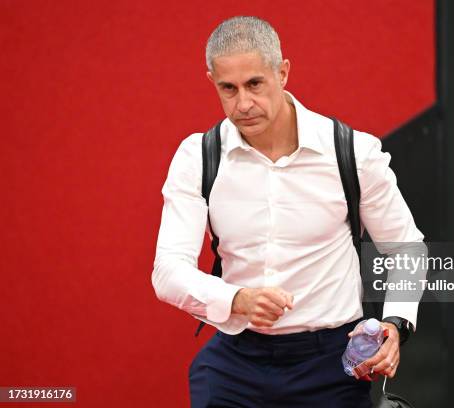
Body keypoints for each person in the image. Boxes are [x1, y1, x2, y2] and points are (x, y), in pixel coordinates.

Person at [152, 16, 425, 408]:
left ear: (282, 73)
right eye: (228, 88)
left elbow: (406, 250)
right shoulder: (197, 156)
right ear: (211, 80)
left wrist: (396, 325)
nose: (243, 103)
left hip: (330, 362)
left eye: (255, 84)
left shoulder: (351, 152)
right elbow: (167, 271)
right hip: (235, 359)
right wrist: (236, 299)